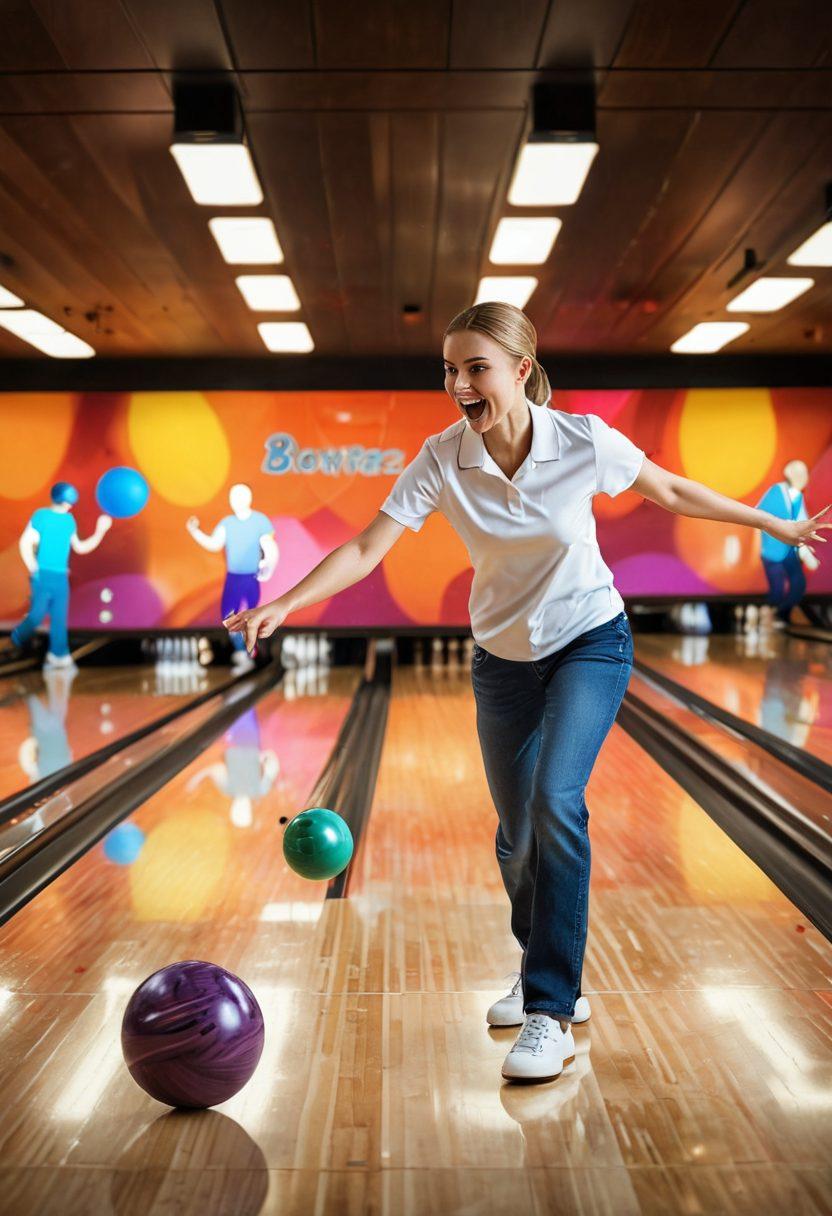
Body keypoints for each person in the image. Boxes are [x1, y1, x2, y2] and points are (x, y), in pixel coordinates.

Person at [223, 301, 831, 1084]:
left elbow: (671, 492)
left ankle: (550, 1006)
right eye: (449, 370)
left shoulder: (582, 440)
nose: (459, 385)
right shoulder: (443, 457)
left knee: (555, 804)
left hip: (590, 641)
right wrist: (282, 603)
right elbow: (368, 545)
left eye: (475, 368)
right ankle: (542, 963)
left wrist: (774, 529)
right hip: (501, 661)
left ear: (520, 368)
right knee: (515, 835)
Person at [9, 481, 112, 670]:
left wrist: (100, 531)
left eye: (69, 503)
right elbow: (25, 543)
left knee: (58, 618)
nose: (68, 506)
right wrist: (34, 568)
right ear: (58, 500)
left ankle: (59, 654)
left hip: (60, 577)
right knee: (37, 615)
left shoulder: (69, 521)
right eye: (66, 502)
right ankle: (16, 638)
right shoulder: (41, 516)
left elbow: (81, 548)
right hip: (43, 574)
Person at [186, 483, 277, 669]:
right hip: (232, 579)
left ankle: (252, 653)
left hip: (251, 579)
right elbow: (213, 544)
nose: (236, 500)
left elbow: (270, 549)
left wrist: (268, 568)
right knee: (229, 620)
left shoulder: (260, 521)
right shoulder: (227, 523)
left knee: (249, 619)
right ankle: (244, 653)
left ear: (249, 498)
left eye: (241, 495)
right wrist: (194, 531)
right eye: (233, 496)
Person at [755, 459, 817, 627]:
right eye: (800, 473)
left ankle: (780, 614)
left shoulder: (798, 496)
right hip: (772, 551)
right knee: (778, 589)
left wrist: (807, 551)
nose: (804, 477)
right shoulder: (776, 491)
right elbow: (760, 517)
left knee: (798, 585)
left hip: (790, 550)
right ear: (790, 474)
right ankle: (770, 613)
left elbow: (801, 521)